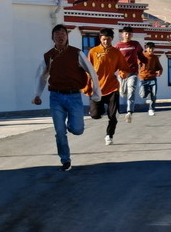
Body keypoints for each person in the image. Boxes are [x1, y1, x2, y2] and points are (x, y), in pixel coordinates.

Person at [32, 24, 101, 171]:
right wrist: (37, 94)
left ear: (67, 36)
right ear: (53, 38)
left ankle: (71, 124)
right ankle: (65, 160)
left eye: (63, 33)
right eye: (57, 34)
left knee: (77, 129)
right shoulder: (49, 56)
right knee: (59, 131)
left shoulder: (76, 53)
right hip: (56, 97)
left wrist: (96, 92)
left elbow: (91, 71)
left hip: (74, 96)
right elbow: (42, 77)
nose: (60, 36)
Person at [86, 27, 132, 145]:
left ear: (112, 39)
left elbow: (124, 67)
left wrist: (123, 73)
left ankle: (109, 135)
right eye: (104, 39)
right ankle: (100, 109)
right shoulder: (93, 52)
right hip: (97, 88)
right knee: (95, 115)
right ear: (100, 39)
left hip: (112, 87)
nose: (106, 42)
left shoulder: (116, 52)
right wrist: (87, 86)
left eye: (108, 39)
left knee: (113, 115)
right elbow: (87, 70)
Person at [114, 25, 146, 122]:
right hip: (122, 73)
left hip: (133, 72)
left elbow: (140, 55)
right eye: (126, 33)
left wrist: (146, 63)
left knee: (131, 91)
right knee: (122, 93)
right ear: (122, 34)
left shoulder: (135, 44)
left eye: (129, 34)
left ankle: (129, 112)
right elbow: (114, 59)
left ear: (132, 35)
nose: (128, 35)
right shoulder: (118, 46)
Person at [138, 42, 163, 115]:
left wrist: (159, 71)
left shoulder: (155, 58)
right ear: (146, 48)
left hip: (152, 78)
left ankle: (151, 109)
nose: (151, 50)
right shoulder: (142, 56)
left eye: (152, 48)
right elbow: (136, 65)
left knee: (153, 95)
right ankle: (148, 91)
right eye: (149, 48)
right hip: (143, 78)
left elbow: (159, 68)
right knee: (143, 95)